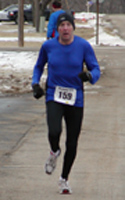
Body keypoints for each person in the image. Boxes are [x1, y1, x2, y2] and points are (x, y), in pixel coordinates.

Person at [32, 12, 101, 194]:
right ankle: (54, 151)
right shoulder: (48, 46)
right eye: (61, 26)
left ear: (72, 28)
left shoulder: (83, 46)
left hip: (75, 98)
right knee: (54, 131)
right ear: (57, 29)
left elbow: (95, 68)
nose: (65, 29)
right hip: (54, 94)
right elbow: (38, 66)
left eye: (68, 25)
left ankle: (64, 179)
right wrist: (35, 84)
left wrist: (89, 76)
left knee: (72, 143)